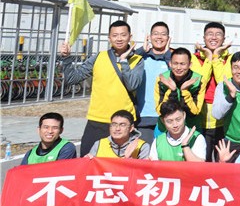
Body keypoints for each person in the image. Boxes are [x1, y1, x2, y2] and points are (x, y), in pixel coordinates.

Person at [59, 20, 144, 156]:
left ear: (130, 37)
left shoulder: (138, 60)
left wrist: (124, 61)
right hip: (97, 119)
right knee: (87, 159)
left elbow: (132, 84)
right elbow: (72, 78)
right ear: (109, 38)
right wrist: (66, 58)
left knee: (120, 163)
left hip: (123, 123)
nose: (119, 39)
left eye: (123, 35)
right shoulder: (99, 57)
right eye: (115, 35)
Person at [194, 21, 232, 156]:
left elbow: (223, 82)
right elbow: (199, 82)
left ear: (224, 38)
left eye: (218, 34)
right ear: (204, 38)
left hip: (224, 118)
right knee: (203, 158)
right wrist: (209, 58)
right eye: (210, 34)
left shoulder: (230, 59)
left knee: (223, 159)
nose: (214, 37)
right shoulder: (194, 58)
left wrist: (215, 57)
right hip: (200, 115)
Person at [134, 21, 172, 141]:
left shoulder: (172, 58)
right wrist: (142, 50)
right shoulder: (141, 57)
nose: (159, 37)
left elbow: (179, 74)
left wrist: (168, 55)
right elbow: (126, 62)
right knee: (144, 151)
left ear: (168, 38)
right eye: (155, 34)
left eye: (163, 34)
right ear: (149, 37)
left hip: (166, 117)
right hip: (143, 116)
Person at [155, 47, 208, 130]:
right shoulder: (162, 79)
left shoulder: (199, 80)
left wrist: (184, 92)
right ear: (170, 64)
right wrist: (172, 91)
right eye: (175, 63)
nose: (178, 68)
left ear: (190, 65)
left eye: (182, 64)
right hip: (166, 128)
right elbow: (160, 111)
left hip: (190, 128)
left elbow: (195, 112)